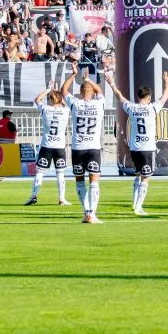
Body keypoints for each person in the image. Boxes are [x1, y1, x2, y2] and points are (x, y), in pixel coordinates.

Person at [106, 71, 168, 216]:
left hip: (135, 148)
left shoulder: (132, 108)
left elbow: (119, 97)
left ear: (137, 97)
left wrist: (112, 84)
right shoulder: (152, 108)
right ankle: (138, 207)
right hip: (148, 148)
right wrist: (167, 82)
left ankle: (134, 203)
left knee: (138, 175)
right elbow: (165, 97)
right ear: (149, 98)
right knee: (146, 177)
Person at [61, 61, 105, 224]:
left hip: (77, 148)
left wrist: (74, 74)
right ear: (92, 92)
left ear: (79, 92)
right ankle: (92, 214)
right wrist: (89, 79)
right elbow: (100, 91)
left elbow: (63, 91)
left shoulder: (76, 104)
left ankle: (86, 212)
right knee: (94, 181)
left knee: (79, 181)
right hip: (93, 148)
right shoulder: (99, 103)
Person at [25, 83, 71, 206]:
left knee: (40, 172)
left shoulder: (46, 109)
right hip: (59, 147)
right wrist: (59, 96)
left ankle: (33, 196)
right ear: (61, 99)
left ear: (51, 99)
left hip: (46, 146)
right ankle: (62, 198)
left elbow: (37, 100)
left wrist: (48, 90)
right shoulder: (65, 111)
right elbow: (68, 105)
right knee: (60, 173)